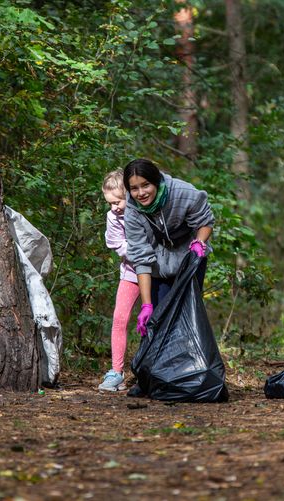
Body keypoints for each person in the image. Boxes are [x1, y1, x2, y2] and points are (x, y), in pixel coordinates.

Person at [122, 158, 214, 337]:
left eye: (145, 185)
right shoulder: (132, 212)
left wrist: (199, 243)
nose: (141, 193)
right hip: (159, 265)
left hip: (189, 257)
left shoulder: (182, 192)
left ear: (155, 181)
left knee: (186, 313)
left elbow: (205, 220)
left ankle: (189, 361)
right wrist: (146, 305)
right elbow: (140, 257)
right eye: (134, 188)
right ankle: (162, 362)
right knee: (159, 317)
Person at [98, 171, 140, 392]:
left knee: (154, 320)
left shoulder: (142, 210)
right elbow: (116, 243)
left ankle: (152, 369)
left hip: (157, 272)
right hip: (131, 271)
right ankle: (116, 372)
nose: (114, 207)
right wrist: (138, 252)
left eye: (118, 201)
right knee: (119, 318)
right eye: (110, 203)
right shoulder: (113, 216)